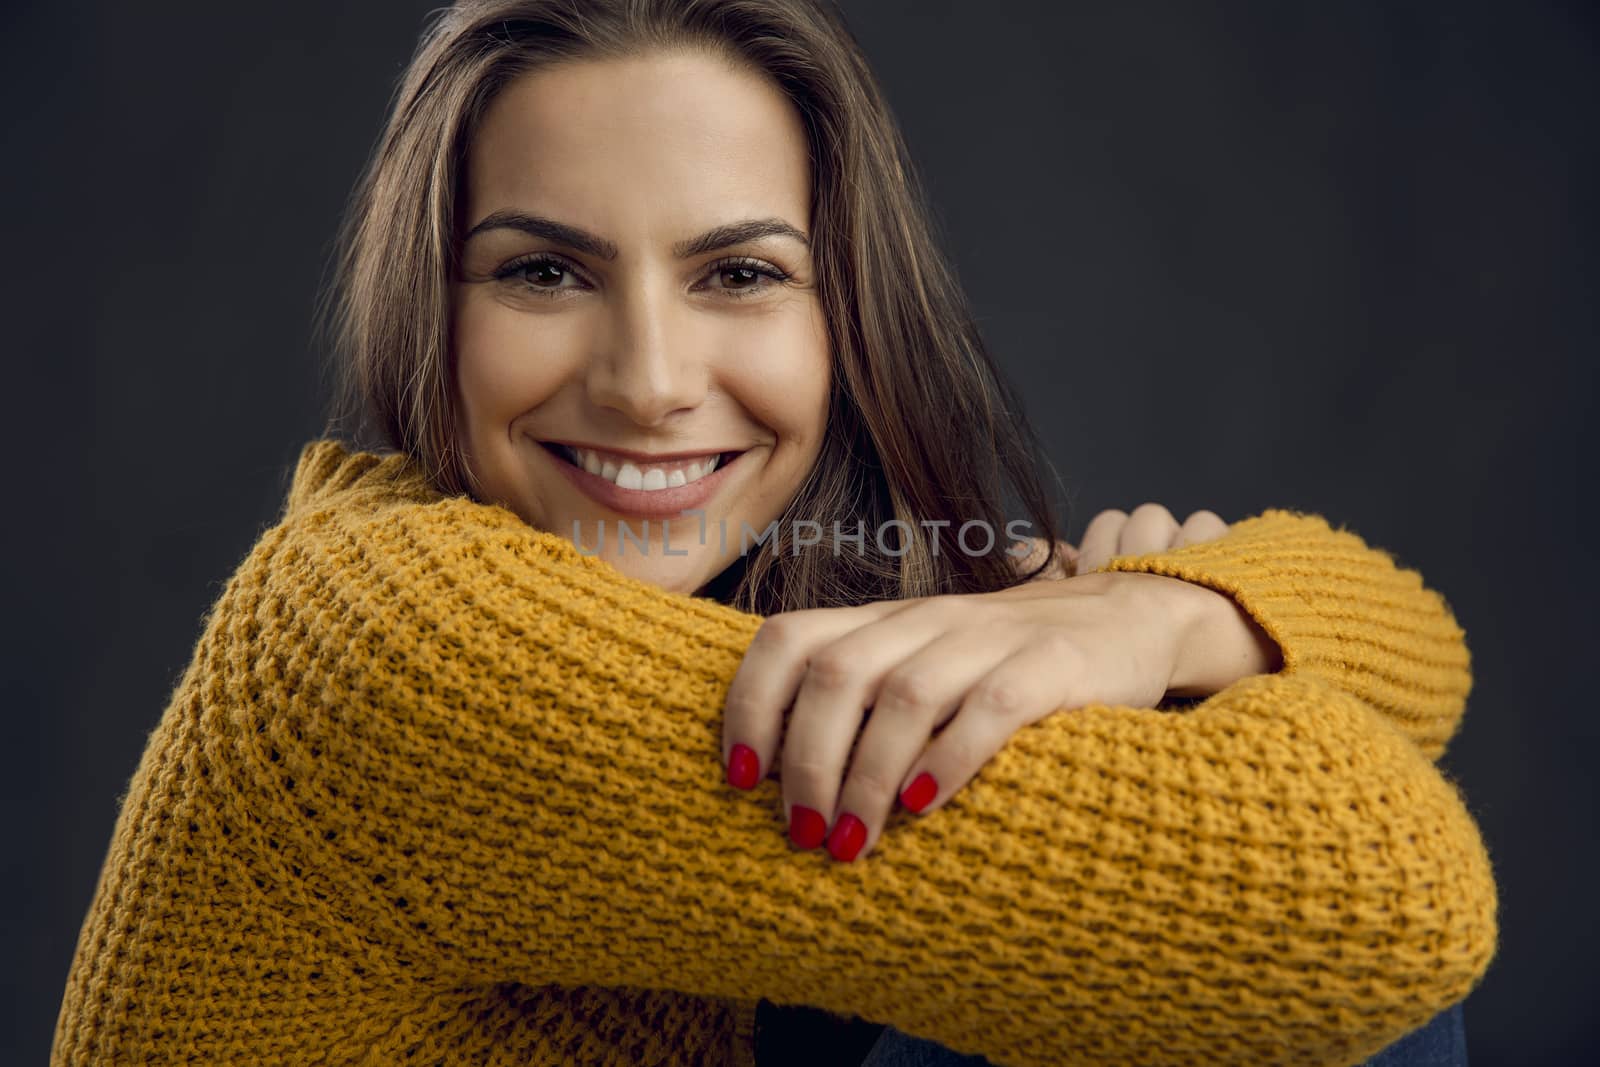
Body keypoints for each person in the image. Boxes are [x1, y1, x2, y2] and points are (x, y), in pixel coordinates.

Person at [51, 1, 1496, 1064]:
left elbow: (1419, 646)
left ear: (843, 313)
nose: (651, 382)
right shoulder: (384, 637)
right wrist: (1181, 645)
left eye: (738, 271)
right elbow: (1387, 908)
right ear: (430, 305)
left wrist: (1152, 617)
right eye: (543, 271)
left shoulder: (813, 588)